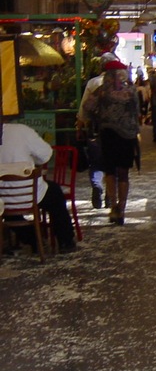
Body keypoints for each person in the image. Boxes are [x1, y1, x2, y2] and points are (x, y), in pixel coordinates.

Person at [0, 117, 77, 253]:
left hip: (3, 198)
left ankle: (34, 239)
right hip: (31, 193)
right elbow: (46, 154)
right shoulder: (21, 130)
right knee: (55, 194)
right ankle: (66, 241)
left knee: (10, 214)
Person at [82, 60, 139, 225]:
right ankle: (122, 208)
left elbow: (87, 107)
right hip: (127, 137)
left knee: (110, 171)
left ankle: (113, 206)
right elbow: (136, 111)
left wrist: (97, 118)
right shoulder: (131, 90)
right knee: (123, 173)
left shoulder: (101, 91)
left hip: (108, 135)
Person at [76, 51, 118, 209]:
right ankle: (110, 195)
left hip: (95, 129)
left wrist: (79, 126)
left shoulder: (93, 83)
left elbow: (83, 108)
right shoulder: (120, 84)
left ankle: (97, 185)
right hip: (115, 131)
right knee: (112, 163)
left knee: (96, 162)